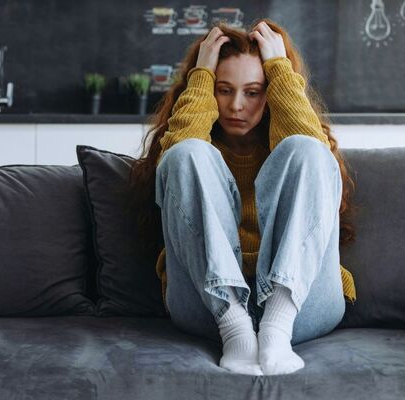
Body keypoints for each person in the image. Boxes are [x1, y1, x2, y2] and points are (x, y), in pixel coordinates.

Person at [128, 19, 358, 376]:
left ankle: (276, 327)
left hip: (301, 305)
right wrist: (201, 73)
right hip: (209, 307)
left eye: (253, 92)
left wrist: (280, 71)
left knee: (306, 149)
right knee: (187, 154)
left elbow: (317, 159)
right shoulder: (199, 147)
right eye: (223, 89)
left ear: (271, 92)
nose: (237, 105)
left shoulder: (287, 136)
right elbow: (174, 158)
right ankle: (235, 325)